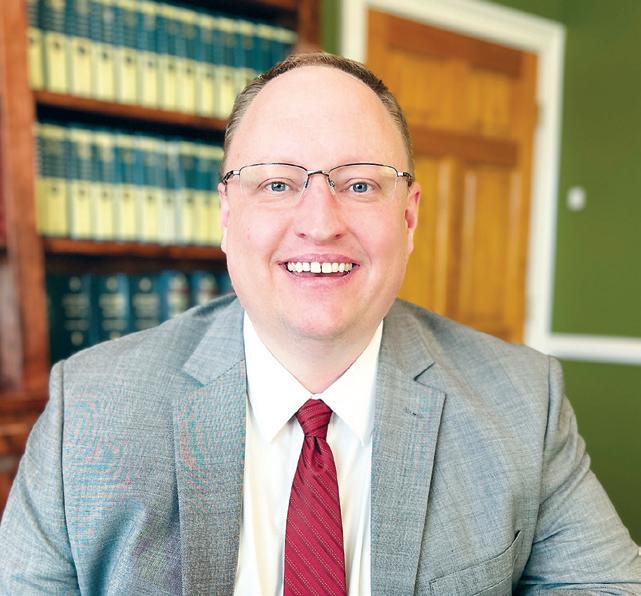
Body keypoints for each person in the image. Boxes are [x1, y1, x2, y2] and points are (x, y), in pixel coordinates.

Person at [1, 52, 640, 595]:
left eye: (359, 186)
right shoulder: (89, 408)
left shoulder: (524, 401)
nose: (320, 223)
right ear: (227, 214)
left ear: (409, 217)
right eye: (277, 185)